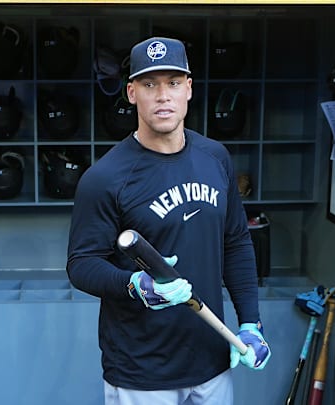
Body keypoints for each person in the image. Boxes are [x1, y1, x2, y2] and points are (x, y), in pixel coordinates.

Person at [66, 36, 271, 405]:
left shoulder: (215, 158)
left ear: (189, 89)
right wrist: (135, 285)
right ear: (131, 93)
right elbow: (82, 265)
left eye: (173, 83)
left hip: (212, 360)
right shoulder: (105, 178)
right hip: (142, 371)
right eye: (149, 84)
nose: (163, 96)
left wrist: (250, 324)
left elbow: (236, 242)